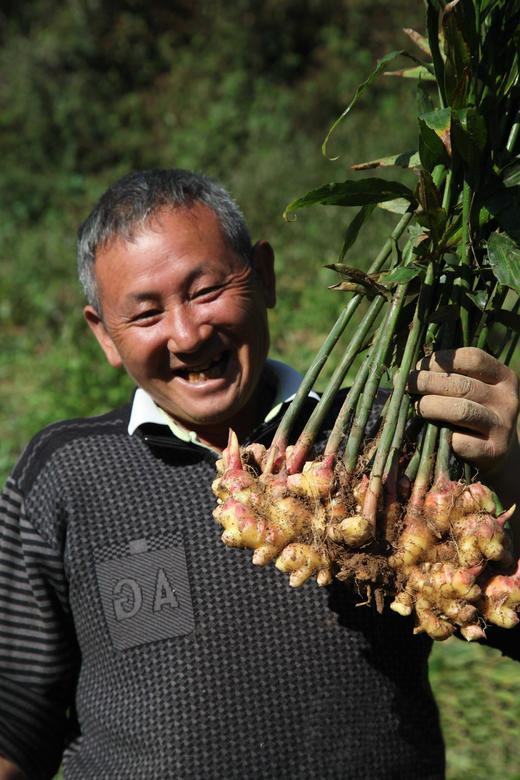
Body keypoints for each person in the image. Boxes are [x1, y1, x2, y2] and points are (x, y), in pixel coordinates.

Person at [0, 168, 518, 780]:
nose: (188, 335)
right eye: (144, 315)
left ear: (265, 277)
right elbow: (15, 724)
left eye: (206, 290)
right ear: (104, 336)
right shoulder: (66, 473)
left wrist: (513, 468)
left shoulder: (395, 437)